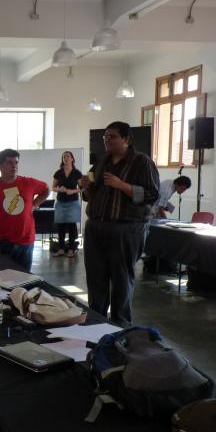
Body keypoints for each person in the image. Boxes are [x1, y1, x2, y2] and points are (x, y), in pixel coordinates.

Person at [80, 121, 160, 326]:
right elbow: (90, 195)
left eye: (112, 136)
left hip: (126, 228)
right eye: (105, 137)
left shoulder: (142, 162)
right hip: (96, 227)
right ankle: (96, 320)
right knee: (95, 277)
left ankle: (120, 324)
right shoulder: (102, 161)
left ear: (126, 139)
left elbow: (153, 195)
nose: (107, 140)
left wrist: (122, 185)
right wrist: (86, 186)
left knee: (121, 277)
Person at [0, 149, 50, 271]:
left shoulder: (29, 183)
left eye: (16, 162)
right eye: (9, 163)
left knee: (24, 278)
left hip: (26, 241)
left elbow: (46, 189)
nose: (14, 166)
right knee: (1, 278)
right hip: (2, 243)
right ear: (0, 165)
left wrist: (34, 205)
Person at [51, 151, 83, 258]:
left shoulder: (77, 173)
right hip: (60, 202)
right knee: (60, 226)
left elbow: (82, 188)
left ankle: (71, 249)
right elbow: (53, 187)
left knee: (71, 226)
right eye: (64, 157)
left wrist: (73, 191)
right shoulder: (58, 172)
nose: (66, 158)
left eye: (68, 156)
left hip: (73, 202)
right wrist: (59, 189)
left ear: (72, 159)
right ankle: (60, 249)